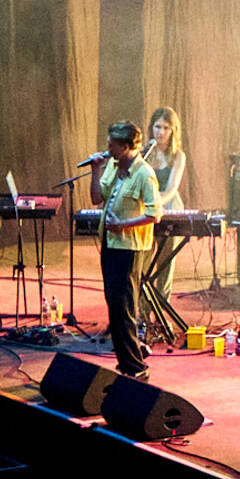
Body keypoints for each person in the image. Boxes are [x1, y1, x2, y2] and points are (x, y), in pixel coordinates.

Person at [87, 120, 162, 379]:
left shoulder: (144, 173)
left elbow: (155, 214)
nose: (108, 149)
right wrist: (96, 171)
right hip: (110, 244)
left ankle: (136, 367)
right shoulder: (112, 166)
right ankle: (126, 363)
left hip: (131, 248)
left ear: (127, 146)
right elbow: (97, 199)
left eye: (113, 145)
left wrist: (123, 225)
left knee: (125, 308)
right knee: (114, 306)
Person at [141, 106, 189, 298]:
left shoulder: (178, 156)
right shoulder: (144, 152)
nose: (160, 132)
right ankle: (142, 312)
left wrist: (155, 203)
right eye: (157, 126)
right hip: (146, 210)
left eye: (166, 128)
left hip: (168, 207)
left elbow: (171, 189)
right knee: (143, 261)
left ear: (173, 131)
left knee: (165, 263)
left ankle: (163, 307)